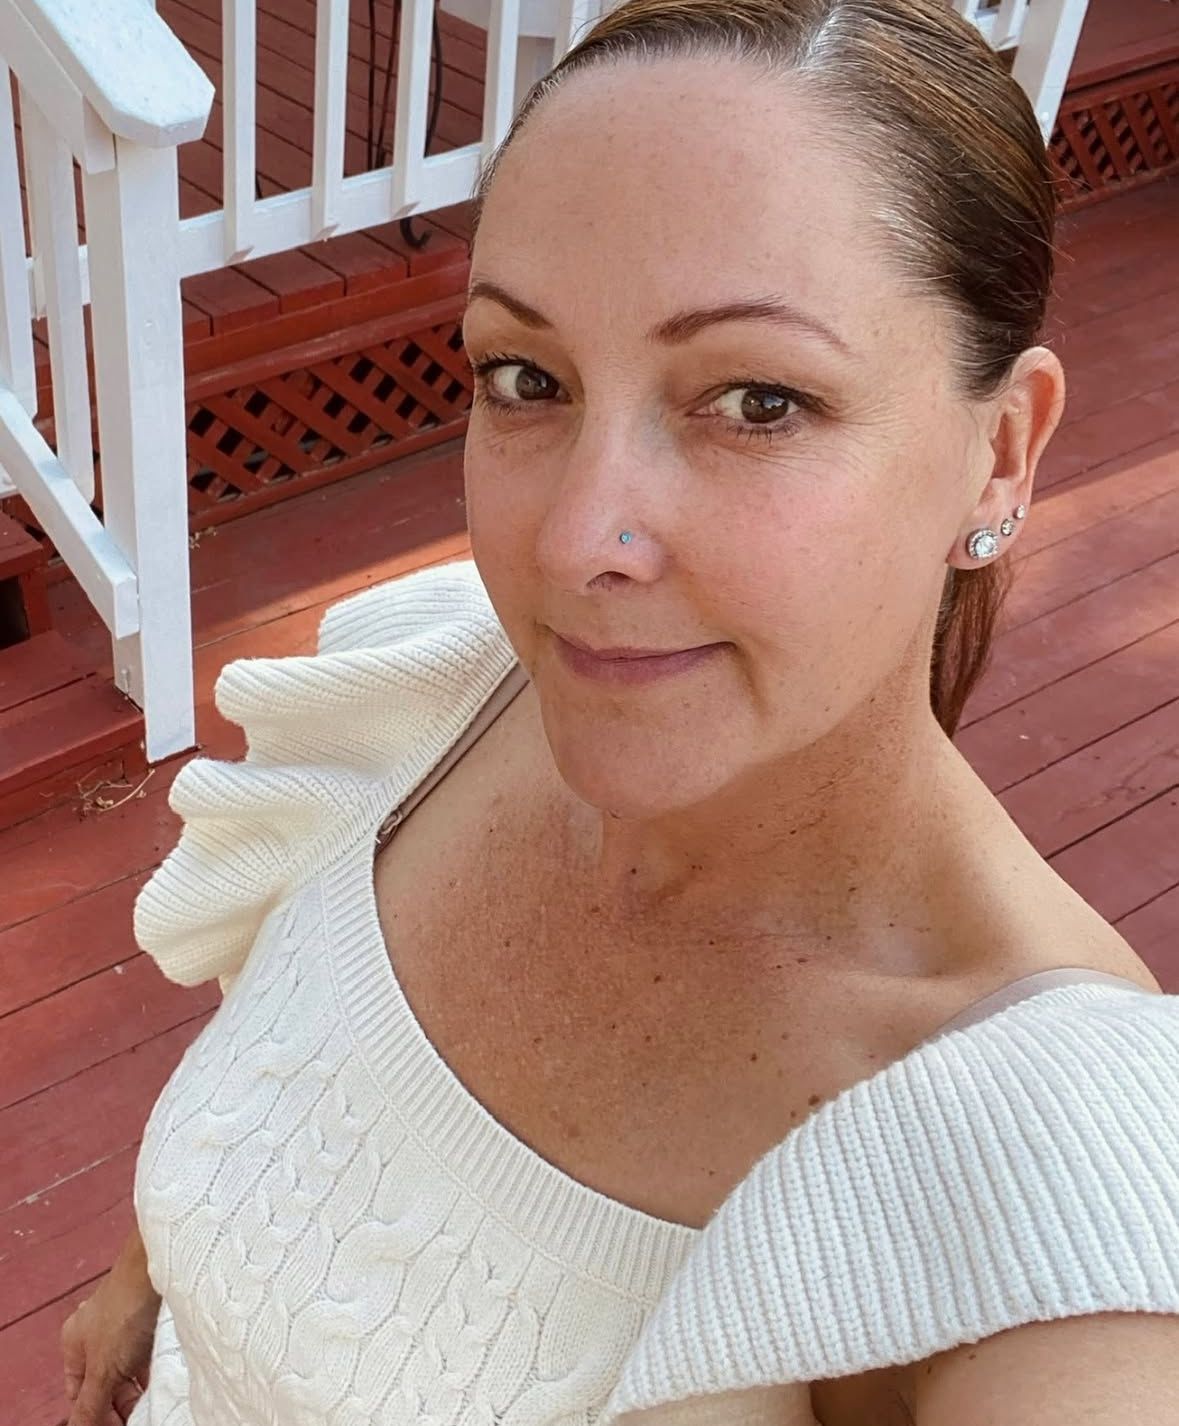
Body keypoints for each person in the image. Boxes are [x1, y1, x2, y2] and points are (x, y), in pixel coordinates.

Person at [61, 1, 1179, 1423]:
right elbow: (288, 1051)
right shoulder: (447, 689)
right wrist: (150, 1265)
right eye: (527, 379)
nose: (579, 537)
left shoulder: (1052, 1164)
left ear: (1001, 451)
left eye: (758, 400)